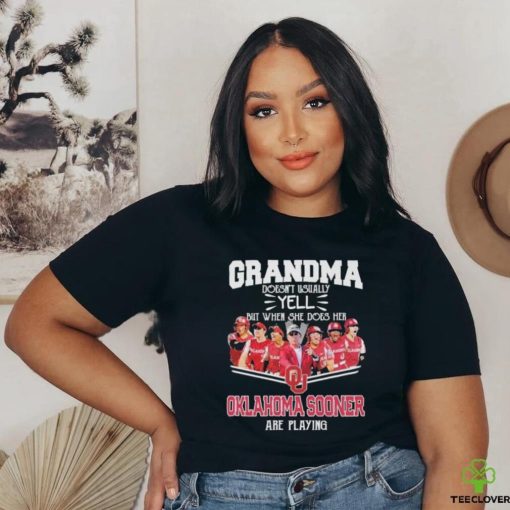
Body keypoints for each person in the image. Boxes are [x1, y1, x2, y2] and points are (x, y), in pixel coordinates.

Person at [3, 17, 488, 510]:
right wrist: (156, 421)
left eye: (315, 102)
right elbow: (35, 325)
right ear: (238, 124)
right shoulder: (175, 224)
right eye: (264, 111)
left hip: (376, 490)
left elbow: (463, 457)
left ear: (351, 111)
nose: (292, 133)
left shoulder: (412, 252)